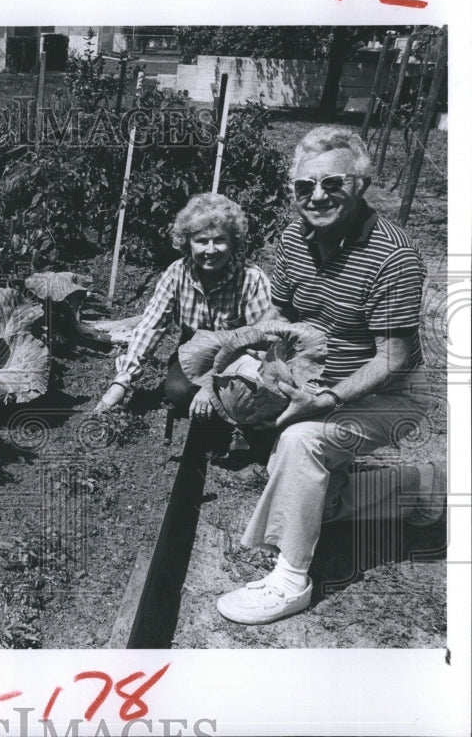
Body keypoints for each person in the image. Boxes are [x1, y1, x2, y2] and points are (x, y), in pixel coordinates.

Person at [216, 126, 443, 625]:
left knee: (300, 445)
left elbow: (393, 359)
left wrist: (324, 400)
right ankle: (421, 488)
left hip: (392, 393)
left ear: (361, 184)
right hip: (319, 376)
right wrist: (265, 367)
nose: (316, 196)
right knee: (312, 494)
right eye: (304, 186)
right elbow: (276, 317)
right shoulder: (293, 239)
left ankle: (290, 580)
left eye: (332, 183)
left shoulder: (393, 256)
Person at [96, 192, 271, 428]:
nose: (211, 250)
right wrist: (122, 380)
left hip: (240, 354)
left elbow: (261, 341)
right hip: (194, 348)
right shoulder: (177, 273)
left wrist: (213, 383)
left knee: (243, 395)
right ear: (188, 242)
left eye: (219, 240)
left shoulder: (251, 279)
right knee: (177, 391)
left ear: (233, 241)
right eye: (201, 241)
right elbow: (151, 326)